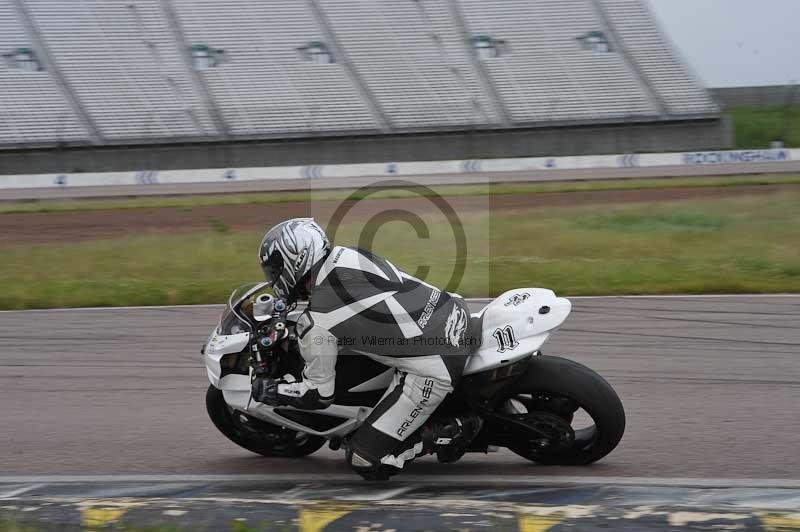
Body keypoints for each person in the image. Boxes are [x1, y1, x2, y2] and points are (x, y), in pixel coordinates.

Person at [252, 218, 482, 479]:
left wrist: (272, 391)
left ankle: (455, 429)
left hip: (435, 364)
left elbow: (318, 395)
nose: (273, 278)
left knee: (365, 459)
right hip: (454, 312)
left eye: (274, 269)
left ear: (295, 259)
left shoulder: (317, 321)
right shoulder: (348, 254)